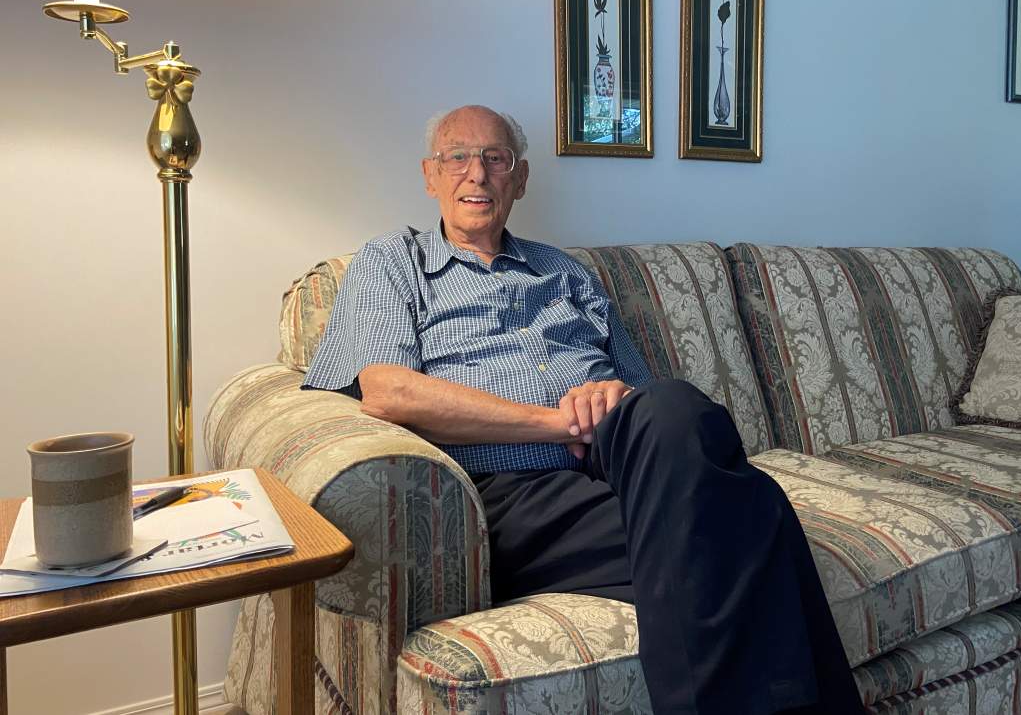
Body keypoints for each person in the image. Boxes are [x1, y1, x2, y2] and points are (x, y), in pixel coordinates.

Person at [302, 105, 862, 714]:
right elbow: (390, 392)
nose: (477, 174)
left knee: (676, 406)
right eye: (457, 158)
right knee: (754, 516)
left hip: (618, 463)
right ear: (429, 175)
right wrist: (555, 421)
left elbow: (642, 395)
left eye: (495, 159)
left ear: (520, 179)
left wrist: (611, 397)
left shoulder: (564, 270)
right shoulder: (392, 261)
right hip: (507, 490)